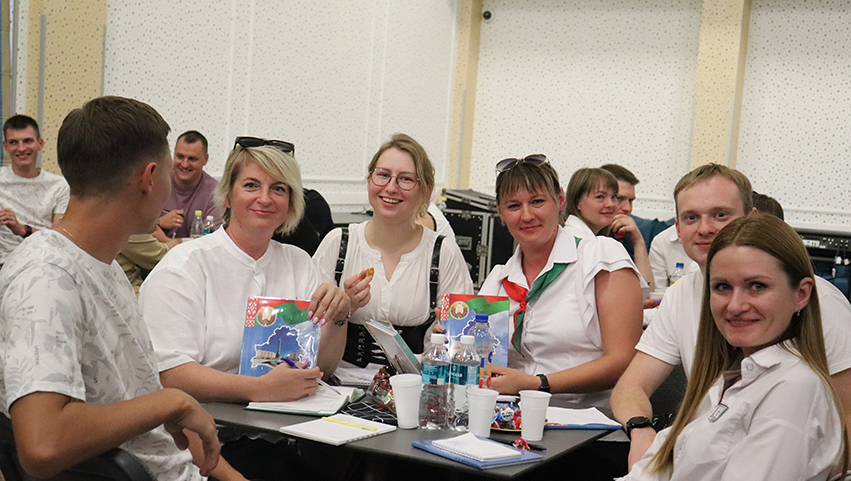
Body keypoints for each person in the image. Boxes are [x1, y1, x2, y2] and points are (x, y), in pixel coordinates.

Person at [0, 95, 429, 481]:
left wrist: (232, 478)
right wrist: (172, 401)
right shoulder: (47, 279)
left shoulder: (101, 270)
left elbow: (144, 428)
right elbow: (43, 442)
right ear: (149, 177)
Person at [471, 213, 847, 481]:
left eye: (757, 287)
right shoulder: (731, 377)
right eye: (722, 288)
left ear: (801, 294)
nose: (735, 305)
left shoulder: (793, 390)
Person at [611, 163, 851, 472]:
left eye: (720, 215)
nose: (705, 228)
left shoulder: (815, 299)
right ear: (678, 229)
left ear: (752, 219)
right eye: (691, 217)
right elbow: (630, 387)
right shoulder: (681, 294)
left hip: (788, 472)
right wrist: (641, 429)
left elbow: (846, 417)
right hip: (702, 465)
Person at [140, 137, 351, 403]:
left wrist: (339, 317)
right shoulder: (184, 267)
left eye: (278, 189)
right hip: (208, 421)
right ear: (228, 195)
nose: (265, 198)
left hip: (289, 421)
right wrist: (259, 389)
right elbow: (169, 373)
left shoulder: (299, 263)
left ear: (290, 202)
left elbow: (323, 368)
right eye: (251, 185)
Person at [479, 155, 646, 408]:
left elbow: (624, 360)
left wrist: (536, 384)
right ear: (500, 213)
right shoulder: (499, 280)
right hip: (510, 417)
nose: (527, 215)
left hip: (587, 421)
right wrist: (453, 339)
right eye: (513, 206)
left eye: (537, 201)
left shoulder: (600, 257)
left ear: (560, 200)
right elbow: (481, 361)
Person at [313, 133, 473, 366]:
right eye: (383, 175)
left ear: (426, 190)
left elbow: (460, 346)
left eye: (405, 179)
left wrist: (448, 338)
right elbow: (307, 339)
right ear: (369, 180)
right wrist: (343, 310)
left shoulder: (444, 252)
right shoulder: (338, 243)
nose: (391, 188)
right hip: (337, 380)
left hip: (418, 383)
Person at [0, 115, 69, 265]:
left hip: (50, 260)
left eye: (27, 141)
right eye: (14, 142)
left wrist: (23, 229)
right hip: (8, 265)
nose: (21, 148)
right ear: (5, 146)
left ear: (40, 144)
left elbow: (62, 237)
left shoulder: (59, 186)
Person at [598, 164, 656, 293]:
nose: (628, 208)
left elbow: (647, 292)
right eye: (619, 198)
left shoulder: (628, 233)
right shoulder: (585, 236)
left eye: (630, 201)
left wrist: (639, 243)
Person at [160, 130, 221, 238]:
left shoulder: (216, 192)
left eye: (192, 159)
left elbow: (213, 239)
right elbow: (137, 226)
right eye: (180, 156)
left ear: (205, 159)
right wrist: (159, 222)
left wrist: (172, 243)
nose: (184, 164)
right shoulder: (157, 182)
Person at [116, 225, 181, 294]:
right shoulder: (126, 225)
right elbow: (161, 256)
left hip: (127, 288)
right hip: (131, 292)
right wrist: (168, 240)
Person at [559, 167, 618, 241]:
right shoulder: (574, 241)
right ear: (577, 202)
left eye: (614, 196)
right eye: (600, 197)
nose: (610, 204)